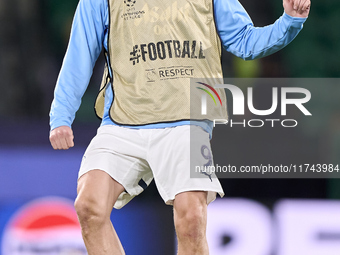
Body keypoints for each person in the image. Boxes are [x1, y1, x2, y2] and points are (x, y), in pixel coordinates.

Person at [49, 0, 310, 254]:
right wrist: (61, 116)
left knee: (192, 221)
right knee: (88, 207)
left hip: (188, 121)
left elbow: (244, 41)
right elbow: (79, 56)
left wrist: (289, 21)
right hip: (122, 122)